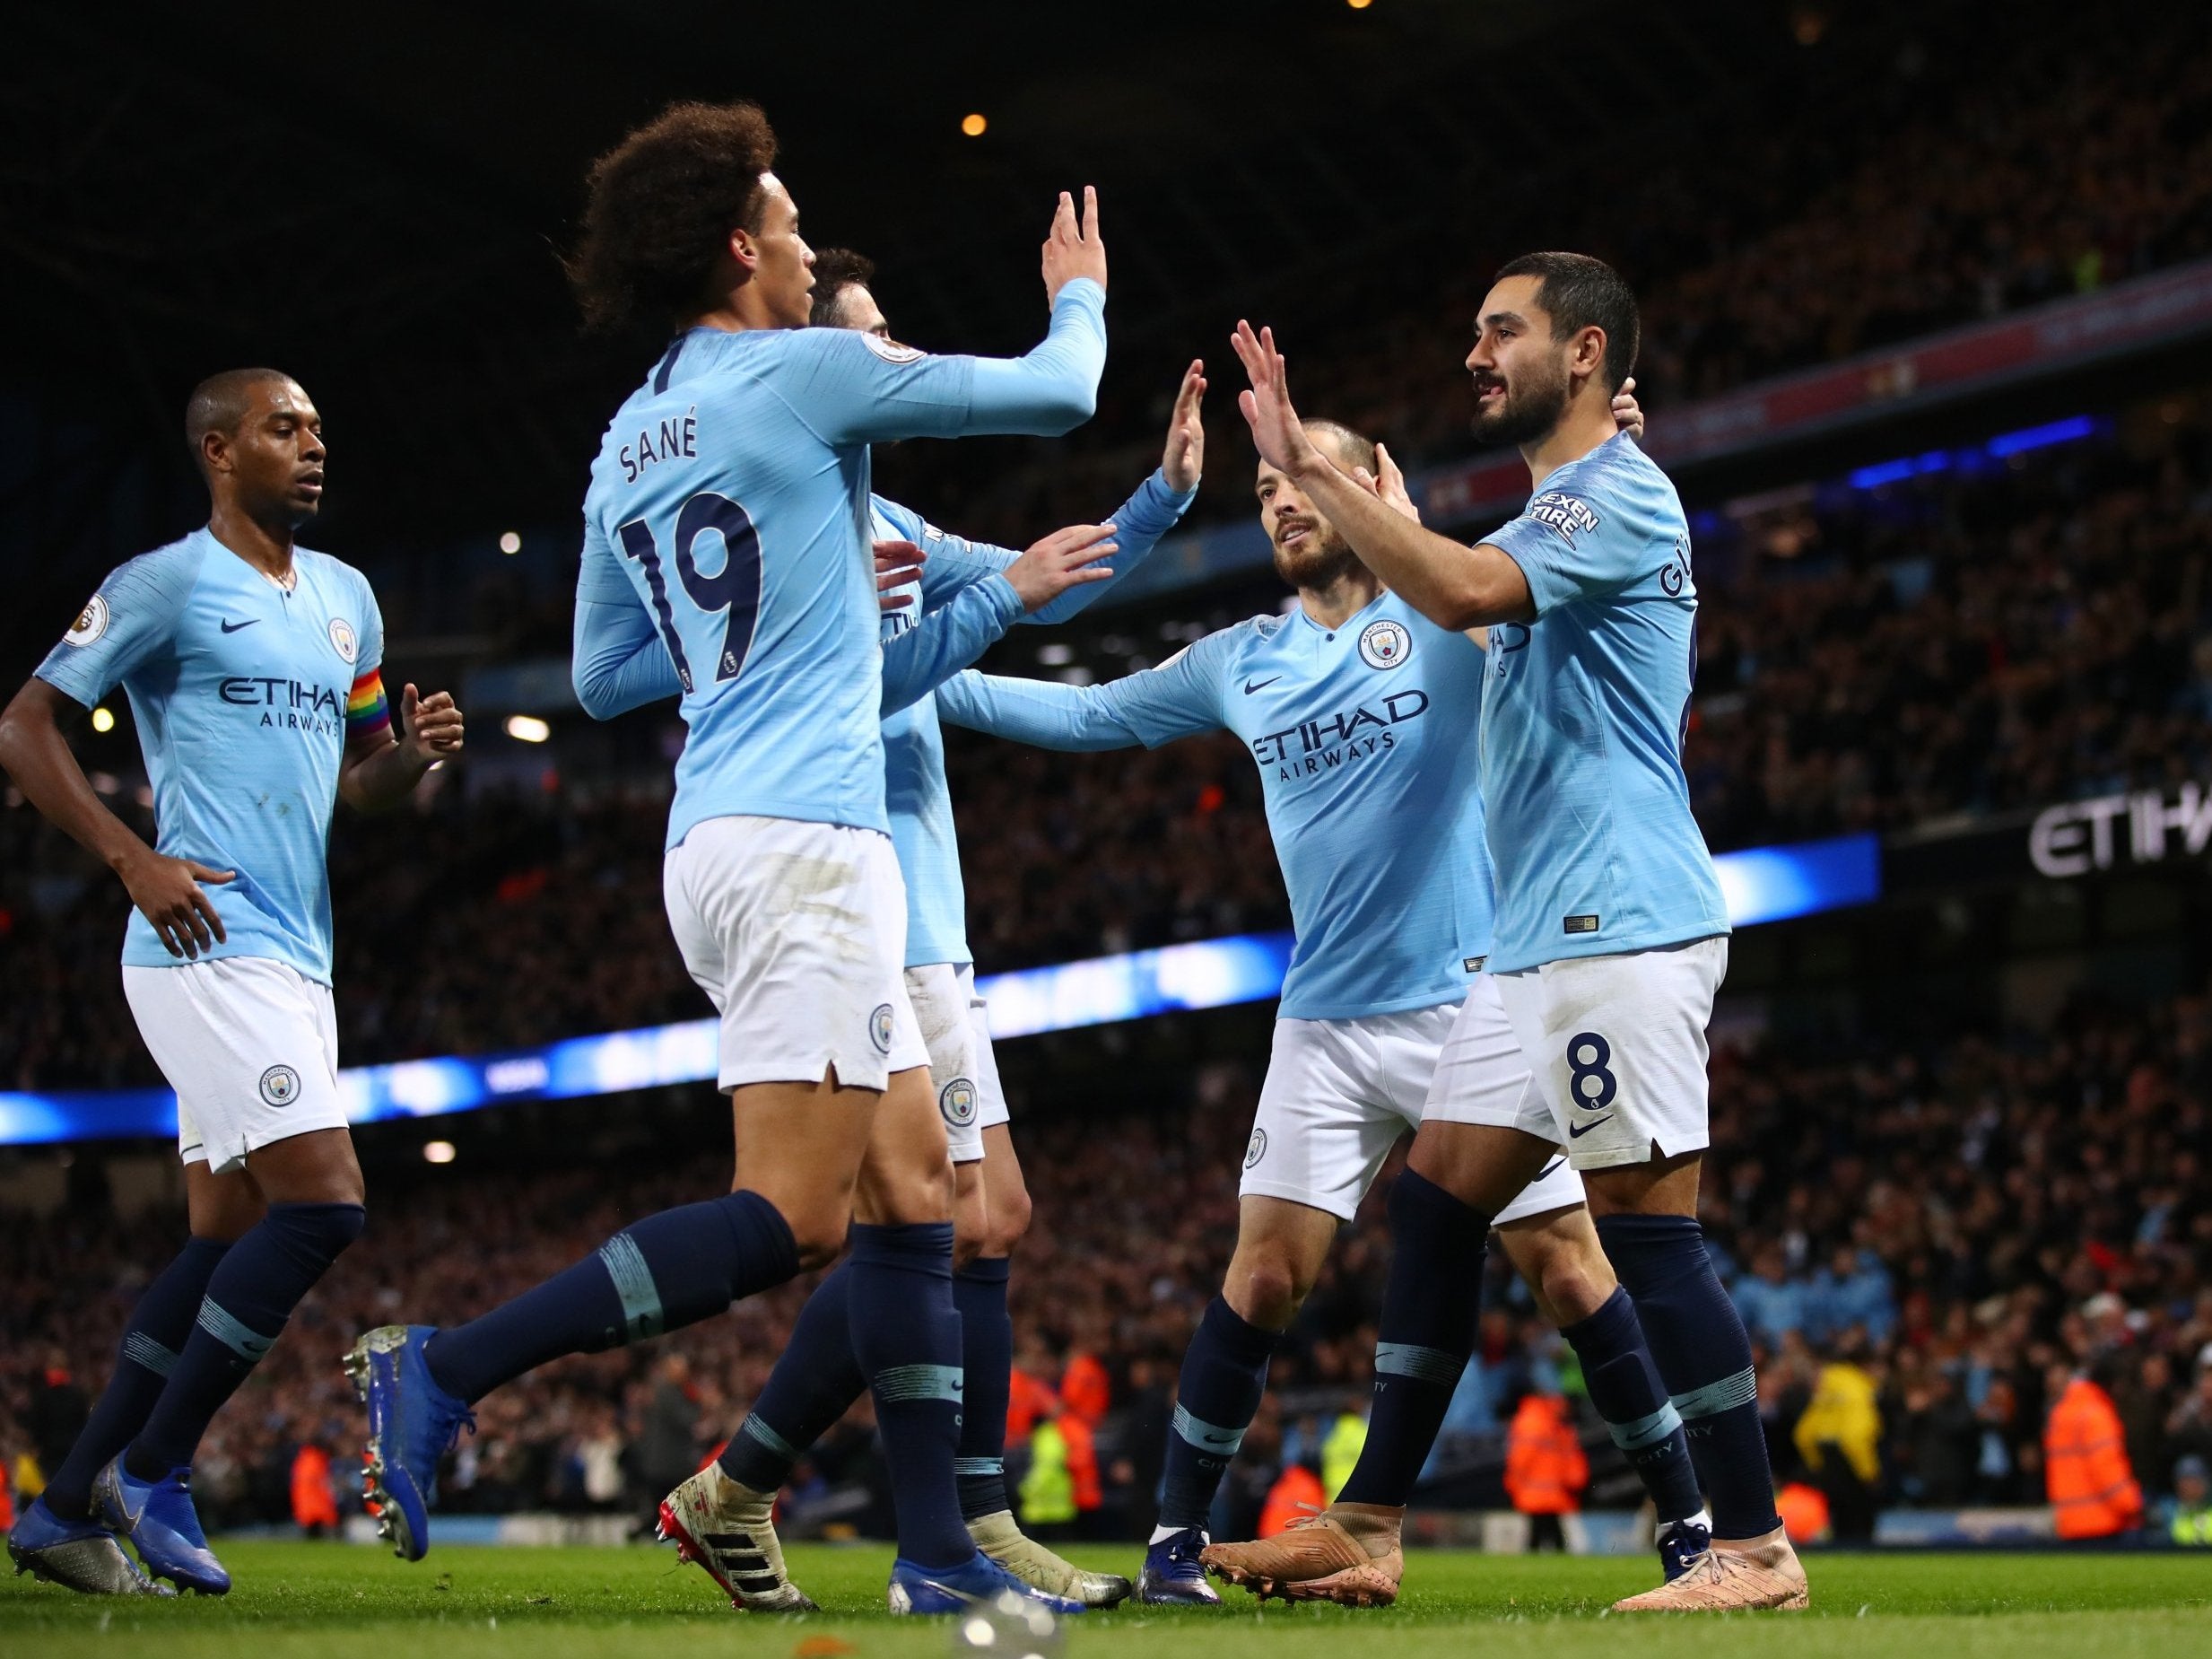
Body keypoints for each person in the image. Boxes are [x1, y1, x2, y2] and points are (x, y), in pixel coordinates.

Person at [345, 100, 1110, 1618]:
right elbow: (1061, 390)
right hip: (813, 844)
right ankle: (447, 1363)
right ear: (741, 248)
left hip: (714, 832)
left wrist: (751, 642)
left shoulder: (628, 434)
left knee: (913, 1200)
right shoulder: (811, 370)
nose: (812, 239)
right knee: (797, 1215)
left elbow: (602, 674)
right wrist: (1076, 288)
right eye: (792, 215)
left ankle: (934, 1545)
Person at [938, 404, 1711, 1609]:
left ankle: (1689, 1524)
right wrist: (920, 682)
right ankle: (1172, 1551)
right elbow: (1090, 716)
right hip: (1323, 1023)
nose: (1285, 501)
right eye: (1265, 492)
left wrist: (1609, 446)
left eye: (1307, 478)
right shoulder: (1241, 656)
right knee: (1261, 1280)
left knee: (1566, 1266)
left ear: (1372, 488)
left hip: (1473, 1001)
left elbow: (1562, 565)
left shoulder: (1450, 616)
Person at [1224, 251, 1806, 1611]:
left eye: (1503, 331)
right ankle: (1366, 1524)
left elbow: (1462, 594)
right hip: (1531, 943)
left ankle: (1753, 1546)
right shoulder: (1560, 499)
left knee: (1647, 1235)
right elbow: (1468, 582)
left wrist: (1315, 480)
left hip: (1619, 923)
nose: (1475, 354)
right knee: (1432, 1208)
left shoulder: (1614, 495)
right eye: (1474, 332)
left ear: (1587, 351)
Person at [660, 249, 1201, 1611]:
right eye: (874, 338)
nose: (894, 355)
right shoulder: (800, 540)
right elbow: (874, 667)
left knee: (975, 1218)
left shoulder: (891, 521)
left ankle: (773, 1493)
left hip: (928, 922)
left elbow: (1053, 584)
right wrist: (993, 601)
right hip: (851, 906)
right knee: (937, 1218)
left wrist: (1161, 499)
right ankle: (941, 1528)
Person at [1, 369, 463, 1596]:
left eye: (317, 427)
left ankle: (58, 1512)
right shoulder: (162, 585)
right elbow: (23, 727)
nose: (313, 444)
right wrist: (129, 857)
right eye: (282, 428)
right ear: (217, 448)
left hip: (298, 955)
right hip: (202, 941)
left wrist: (409, 762)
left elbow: (362, 775)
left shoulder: (345, 600)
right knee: (323, 1206)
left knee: (226, 1235)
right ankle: (153, 1468)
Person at [2043, 1361, 2143, 1541]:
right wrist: (2132, 1506)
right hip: (2102, 1522)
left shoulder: (2061, 1413)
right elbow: (2106, 1468)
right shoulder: (2096, 1415)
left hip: (2070, 1521)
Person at [1504, 1389, 1588, 1551]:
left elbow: (1519, 1458)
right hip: (1544, 1489)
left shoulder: (1541, 1421)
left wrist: (1513, 1481)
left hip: (1539, 1490)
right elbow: (1523, 1457)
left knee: (1541, 1529)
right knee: (1546, 1529)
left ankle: (1535, 1561)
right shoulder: (1544, 1423)